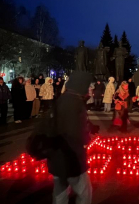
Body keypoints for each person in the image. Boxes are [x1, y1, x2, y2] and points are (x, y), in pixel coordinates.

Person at [45, 71, 93, 204]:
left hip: (56, 157)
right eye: (88, 86)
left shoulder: (62, 99)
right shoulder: (75, 103)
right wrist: (85, 140)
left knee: (60, 192)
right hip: (71, 158)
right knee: (84, 192)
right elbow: (74, 131)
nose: (90, 89)